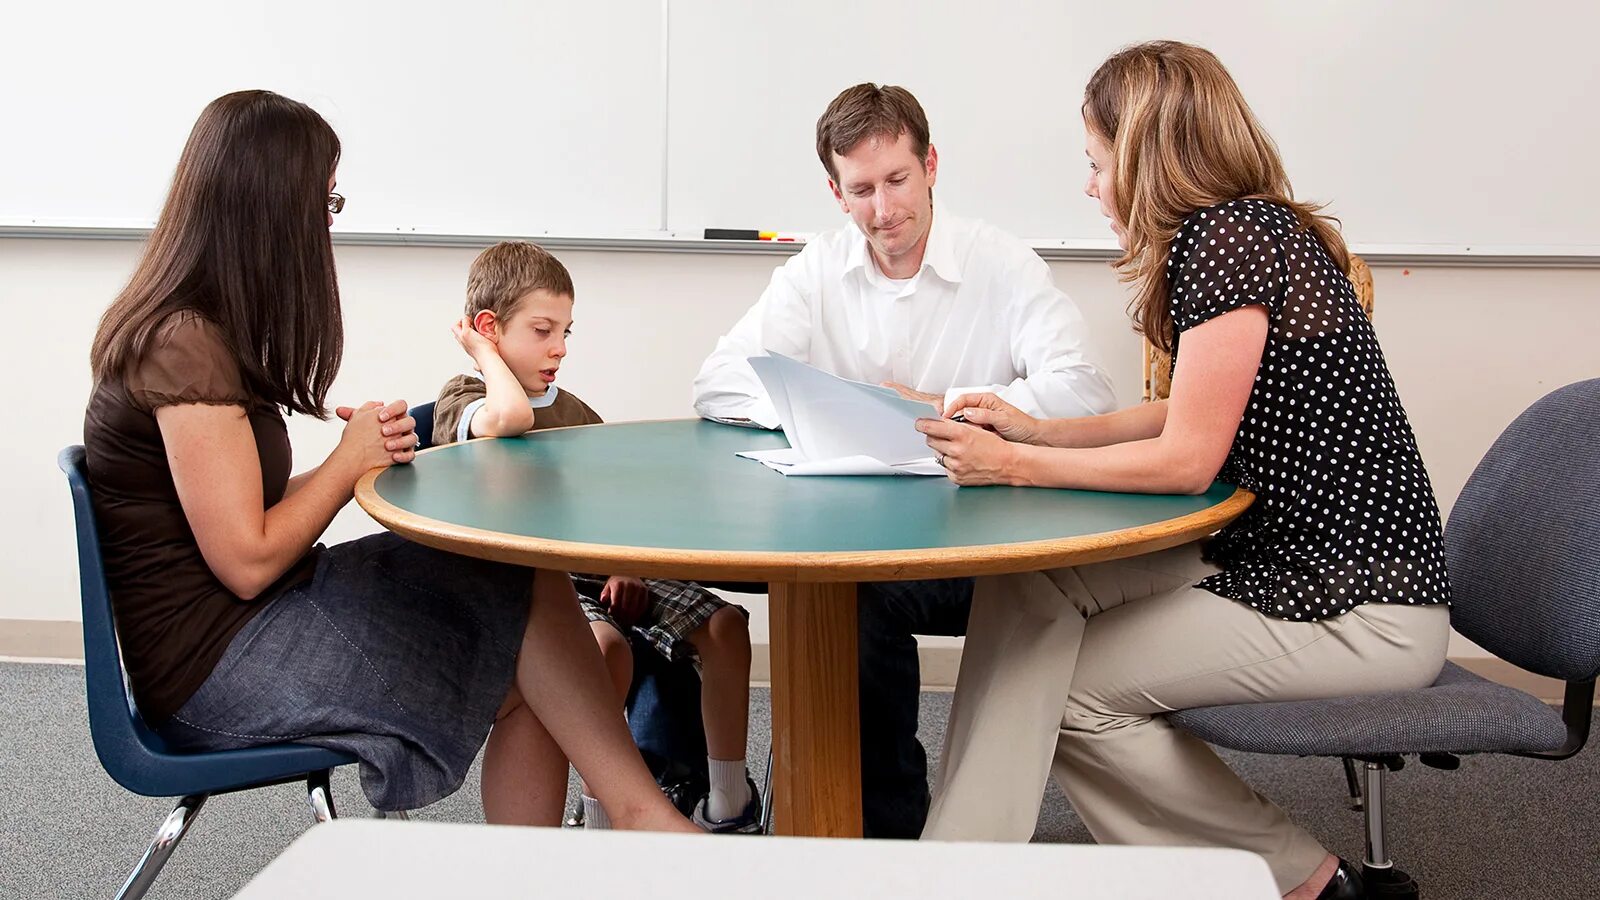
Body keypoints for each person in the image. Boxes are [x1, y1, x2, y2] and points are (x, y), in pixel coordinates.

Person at [914, 42, 1451, 900]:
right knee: (1033, 583)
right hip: (1287, 562)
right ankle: (957, 865)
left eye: (1096, 164)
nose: (1090, 187)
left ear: (1141, 155)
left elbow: (1187, 457)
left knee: (1075, 696)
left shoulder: (1230, 240)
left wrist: (1012, 464)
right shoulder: (1256, 229)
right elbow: (1186, 410)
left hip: (1360, 605)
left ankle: (1308, 882)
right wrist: (1041, 432)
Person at [82, 90, 696, 831]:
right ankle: (643, 814)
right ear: (268, 203)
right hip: (216, 670)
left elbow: (241, 515)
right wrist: (346, 465)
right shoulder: (183, 343)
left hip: (248, 622)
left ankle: (627, 818)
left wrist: (361, 458)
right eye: (324, 198)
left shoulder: (200, 329)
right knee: (526, 647)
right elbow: (244, 558)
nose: (326, 221)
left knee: (519, 588)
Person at [689, 83, 1116, 837]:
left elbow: (1083, 394)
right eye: (860, 190)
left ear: (931, 167)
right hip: (860, 539)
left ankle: (897, 835)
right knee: (845, 592)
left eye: (897, 181)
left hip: (988, 541)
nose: (883, 210)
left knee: (861, 597)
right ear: (835, 191)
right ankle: (868, 831)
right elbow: (719, 381)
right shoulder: (817, 269)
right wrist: (829, 403)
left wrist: (939, 403)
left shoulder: (1001, 263)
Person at [433, 240, 760, 833]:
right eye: (542, 329)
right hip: (544, 586)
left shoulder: (578, 412)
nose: (559, 347)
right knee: (602, 651)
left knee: (727, 627)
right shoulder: (468, 399)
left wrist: (623, 564)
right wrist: (482, 356)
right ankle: (601, 818)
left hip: (604, 564)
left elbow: (618, 504)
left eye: (566, 331)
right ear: (488, 328)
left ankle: (728, 804)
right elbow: (510, 420)